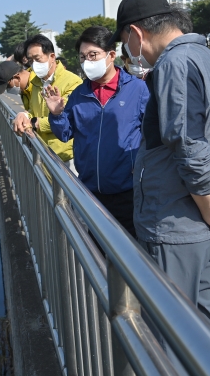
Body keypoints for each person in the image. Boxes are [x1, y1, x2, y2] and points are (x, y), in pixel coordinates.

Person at [110, 0, 210, 347]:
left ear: (135, 34)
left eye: (124, 40)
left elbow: (189, 145)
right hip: (205, 215)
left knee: (173, 333)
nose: (126, 50)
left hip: (176, 222)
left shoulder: (174, 63)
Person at [44, 26, 149, 237]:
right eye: (83, 57)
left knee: (130, 253)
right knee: (97, 252)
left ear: (111, 55)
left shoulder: (137, 90)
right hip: (90, 192)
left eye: (93, 55)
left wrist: (141, 167)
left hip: (127, 192)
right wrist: (56, 114)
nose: (87, 62)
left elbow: (153, 134)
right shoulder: (79, 94)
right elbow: (65, 133)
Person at [12, 35, 82, 168]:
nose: (34, 65)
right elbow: (34, 110)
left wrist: (34, 123)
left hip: (67, 157)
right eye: (31, 61)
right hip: (44, 154)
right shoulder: (36, 83)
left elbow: (67, 118)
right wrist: (24, 115)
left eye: (37, 59)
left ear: (52, 57)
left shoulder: (73, 82)